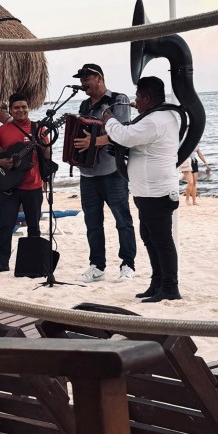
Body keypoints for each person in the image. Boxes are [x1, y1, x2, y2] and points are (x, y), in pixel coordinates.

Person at [102, 75, 182, 303]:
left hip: (156, 191)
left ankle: (169, 287)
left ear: (146, 97)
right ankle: (158, 283)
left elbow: (124, 136)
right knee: (149, 236)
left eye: (137, 96)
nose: (135, 101)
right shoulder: (159, 117)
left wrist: (109, 119)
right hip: (147, 190)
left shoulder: (155, 120)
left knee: (162, 240)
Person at [70, 63, 137, 283]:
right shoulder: (83, 104)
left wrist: (92, 142)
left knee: (122, 220)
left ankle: (128, 264)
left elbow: (124, 133)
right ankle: (97, 266)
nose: (83, 83)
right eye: (81, 80)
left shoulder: (119, 99)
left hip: (112, 171)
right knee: (92, 223)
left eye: (86, 78)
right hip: (88, 174)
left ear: (99, 78)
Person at [0, 93, 49, 273]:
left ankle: (34, 263)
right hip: (10, 186)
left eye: (24, 107)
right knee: (5, 225)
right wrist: (0, 162)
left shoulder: (38, 129)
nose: (21, 110)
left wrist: (44, 147)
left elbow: (47, 156)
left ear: (29, 108)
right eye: (17, 107)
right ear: (11, 110)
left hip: (33, 186)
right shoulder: (4, 130)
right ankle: (2, 262)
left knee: (33, 226)